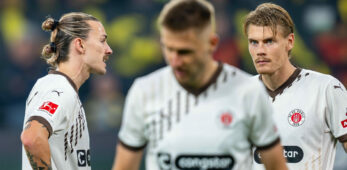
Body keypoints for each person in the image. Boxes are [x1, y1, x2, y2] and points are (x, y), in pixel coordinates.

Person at [112, 0, 287, 170]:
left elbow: (276, 166)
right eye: (168, 49)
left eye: (185, 51)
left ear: (211, 44)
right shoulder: (145, 91)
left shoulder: (248, 92)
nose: (175, 61)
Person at [243, 3, 347, 170]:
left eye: (269, 41)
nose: (260, 50)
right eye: (254, 42)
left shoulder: (326, 89)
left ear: (290, 42)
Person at [20, 12, 112, 170]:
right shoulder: (59, 89)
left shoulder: (58, 86)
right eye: (102, 41)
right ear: (80, 45)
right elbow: (32, 137)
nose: (108, 50)